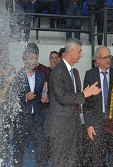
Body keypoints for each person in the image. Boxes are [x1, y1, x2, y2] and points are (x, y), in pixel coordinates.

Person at [48, 38, 101, 167]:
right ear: (71, 51)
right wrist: (84, 94)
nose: (81, 55)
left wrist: (84, 94)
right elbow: (62, 97)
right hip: (60, 128)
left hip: (71, 127)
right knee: (60, 162)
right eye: (79, 51)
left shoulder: (70, 71)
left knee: (72, 162)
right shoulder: (58, 71)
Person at [83, 46, 113, 166]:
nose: (108, 60)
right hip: (97, 124)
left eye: (109, 57)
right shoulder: (90, 75)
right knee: (97, 160)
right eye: (104, 57)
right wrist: (89, 124)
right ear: (97, 60)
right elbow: (86, 104)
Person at [11, 43, 49, 167]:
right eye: (31, 58)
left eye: (36, 58)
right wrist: (24, 97)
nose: (34, 61)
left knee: (41, 151)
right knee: (19, 151)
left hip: (37, 119)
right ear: (25, 60)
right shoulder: (18, 77)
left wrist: (45, 100)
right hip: (21, 119)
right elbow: (13, 98)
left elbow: (45, 96)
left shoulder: (42, 76)